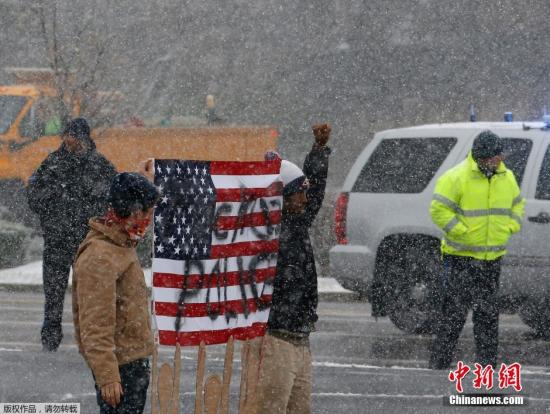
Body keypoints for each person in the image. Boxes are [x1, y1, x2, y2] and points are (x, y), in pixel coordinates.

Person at [429, 130, 525, 370]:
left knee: (488, 315)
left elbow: (517, 205)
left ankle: (487, 365)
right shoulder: (456, 177)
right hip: (460, 257)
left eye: (499, 156)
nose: (498, 160)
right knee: (453, 314)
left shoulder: (508, 177)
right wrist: (462, 231)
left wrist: (511, 225)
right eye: (494, 156)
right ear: (482, 157)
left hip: (492, 259)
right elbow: (438, 210)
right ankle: (439, 363)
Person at [255, 123, 331, 414]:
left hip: (300, 338)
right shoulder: (263, 233)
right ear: (280, 196)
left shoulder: (296, 223)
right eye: (298, 192)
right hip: (275, 339)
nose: (305, 198)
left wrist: (319, 152)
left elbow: (317, 189)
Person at [27, 117, 117, 351]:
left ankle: (89, 337)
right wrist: (53, 204)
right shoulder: (53, 162)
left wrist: (93, 214)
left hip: (86, 242)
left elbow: (114, 199)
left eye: (74, 136)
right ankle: (51, 334)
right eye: (67, 135)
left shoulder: (100, 166)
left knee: (88, 294)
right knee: (53, 292)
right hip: (57, 240)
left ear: (84, 138)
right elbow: (33, 194)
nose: (69, 140)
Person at [72, 172, 159, 413]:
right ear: (132, 213)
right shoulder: (100, 256)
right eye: (147, 212)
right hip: (120, 369)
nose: (150, 218)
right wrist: (108, 376)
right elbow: (95, 324)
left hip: (133, 361)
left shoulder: (120, 242)